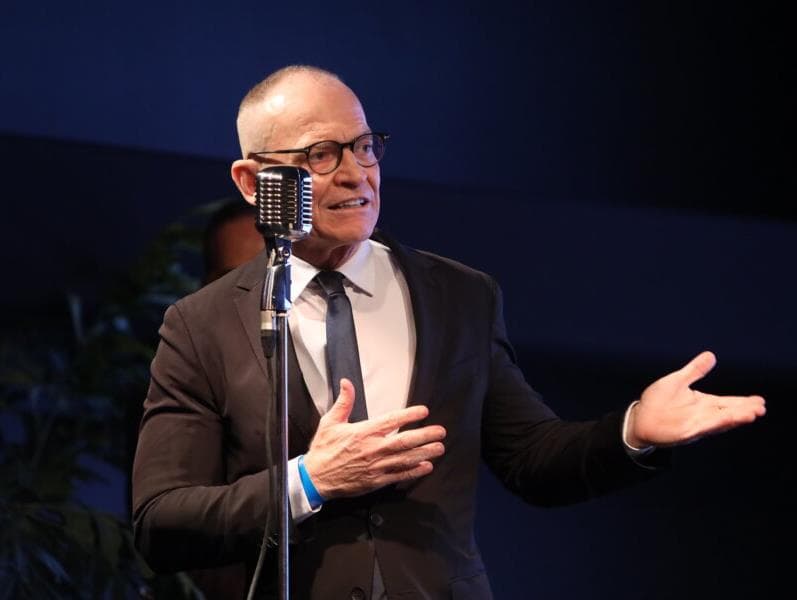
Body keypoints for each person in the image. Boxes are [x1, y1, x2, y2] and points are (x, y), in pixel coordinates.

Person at [131, 65, 766, 599]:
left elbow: (533, 461)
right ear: (252, 181)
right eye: (321, 155)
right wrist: (308, 481)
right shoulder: (202, 325)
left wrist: (634, 429)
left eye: (365, 146)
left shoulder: (459, 296)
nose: (356, 172)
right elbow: (161, 523)